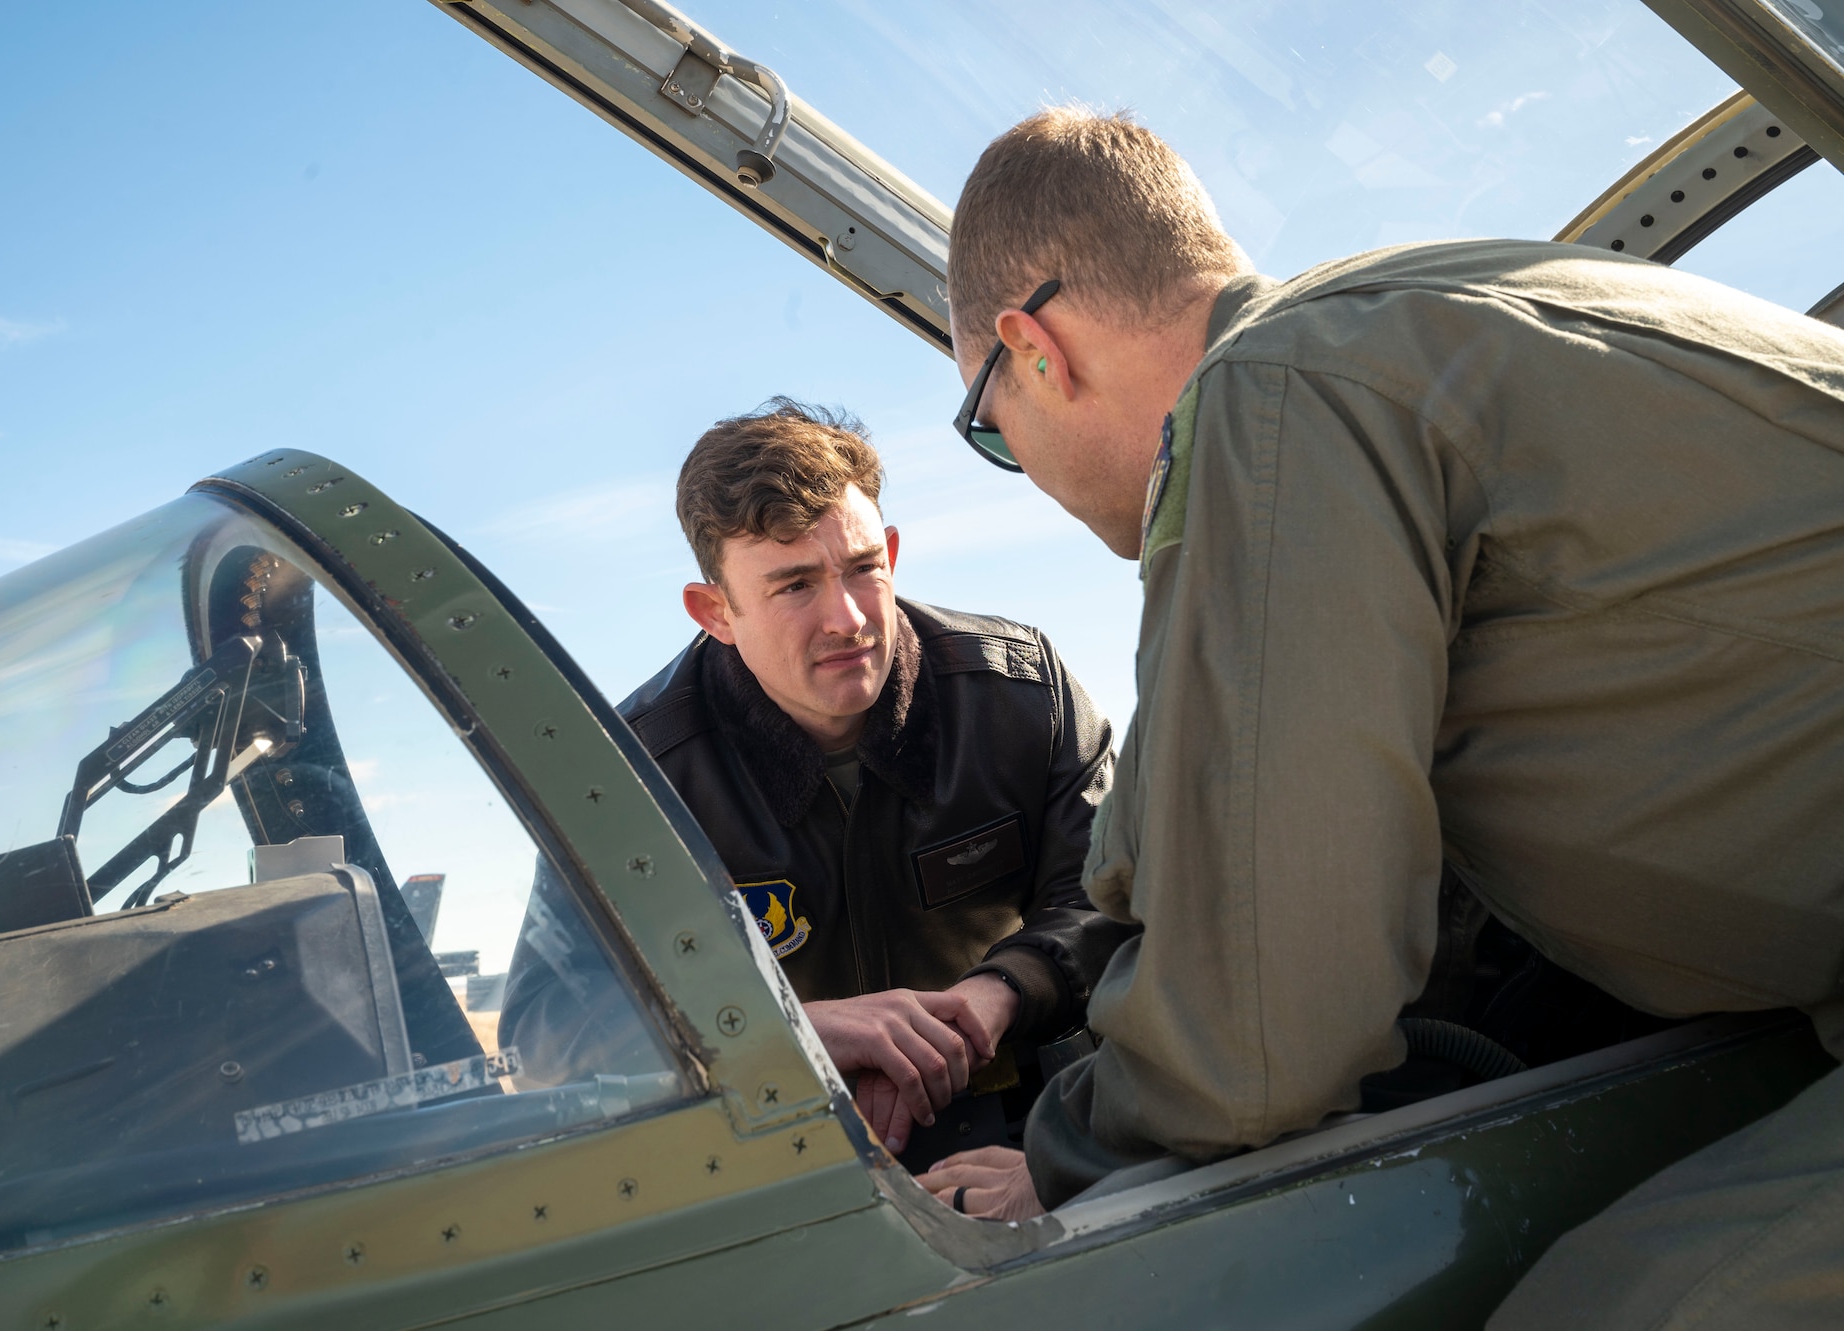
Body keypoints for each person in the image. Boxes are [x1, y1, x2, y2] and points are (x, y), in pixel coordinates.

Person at [922, 106, 1844, 1326]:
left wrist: (1055, 1157)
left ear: (1033, 348)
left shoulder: (1275, 394)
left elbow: (1260, 1033)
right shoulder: (1421, 317)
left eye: (988, 428)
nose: (1019, 464)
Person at [615, 399, 1135, 1162]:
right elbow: (560, 1020)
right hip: (783, 1157)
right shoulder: (640, 773)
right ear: (716, 612)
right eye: (794, 586)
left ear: (890, 551)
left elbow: (1114, 899)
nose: (849, 617)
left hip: (1035, 1130)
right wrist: (795, 1028)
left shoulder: (1022, 695)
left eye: (863, 568)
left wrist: (995, 996)